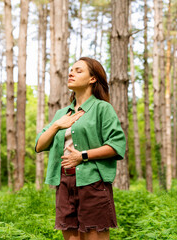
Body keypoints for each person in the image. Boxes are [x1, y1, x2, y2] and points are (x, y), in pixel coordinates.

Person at [35, 57, 126, 240]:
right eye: (71, 70)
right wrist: (56, 126)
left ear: (92, 79)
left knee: (94, 236)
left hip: (93, 182)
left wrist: (83, 156)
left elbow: (117, 146)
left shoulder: (102, 108)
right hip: (64, 182)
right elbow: (39, 145)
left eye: (78, 70)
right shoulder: (62, 113)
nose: (71, 73)